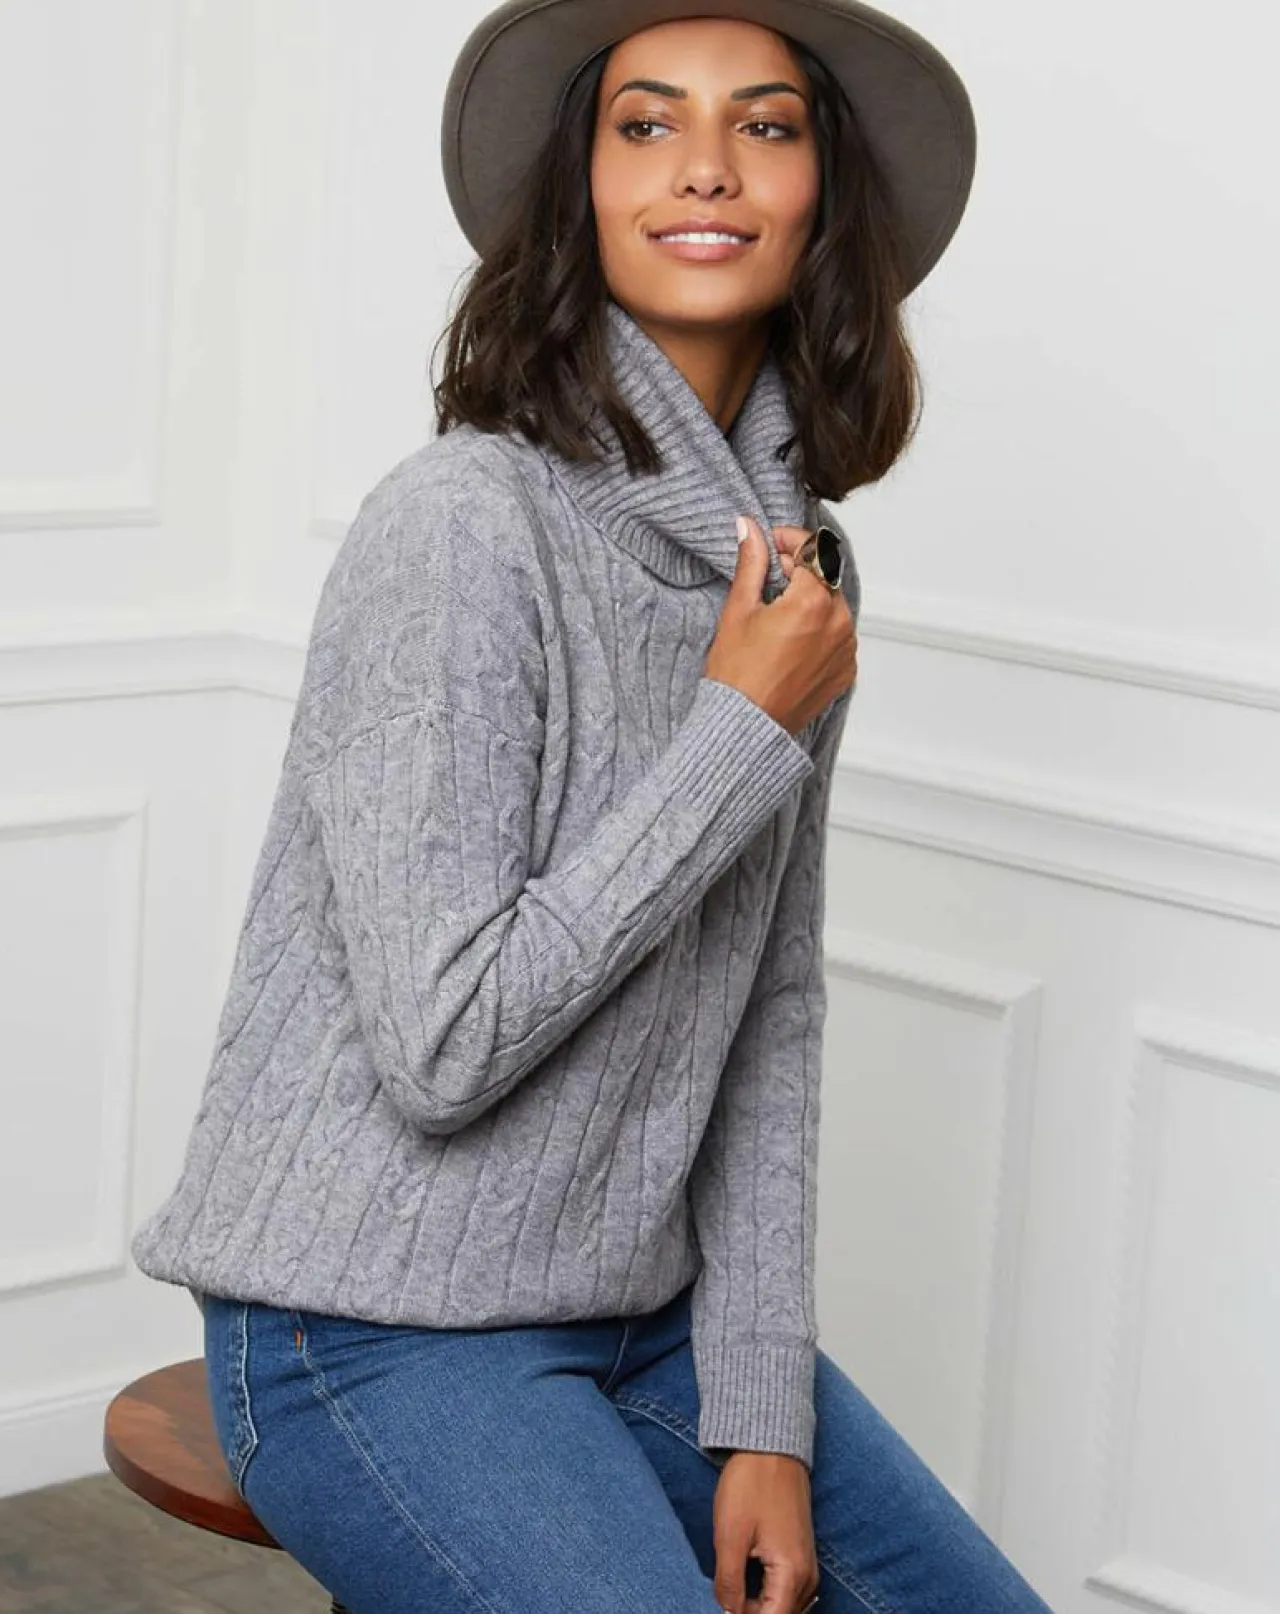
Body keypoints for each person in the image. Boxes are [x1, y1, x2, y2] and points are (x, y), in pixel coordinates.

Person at [132, 2, 1052, 1610]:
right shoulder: (462, 522)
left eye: (765, 124)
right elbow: (442, 1041)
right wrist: (738, 726)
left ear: (824, 193)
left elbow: (769, 1006)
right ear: (580, 187)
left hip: (649, 1319)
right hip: (368, 1322)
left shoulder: (803, 578)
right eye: (646, 122)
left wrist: (760, 1413)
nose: (705, 165)